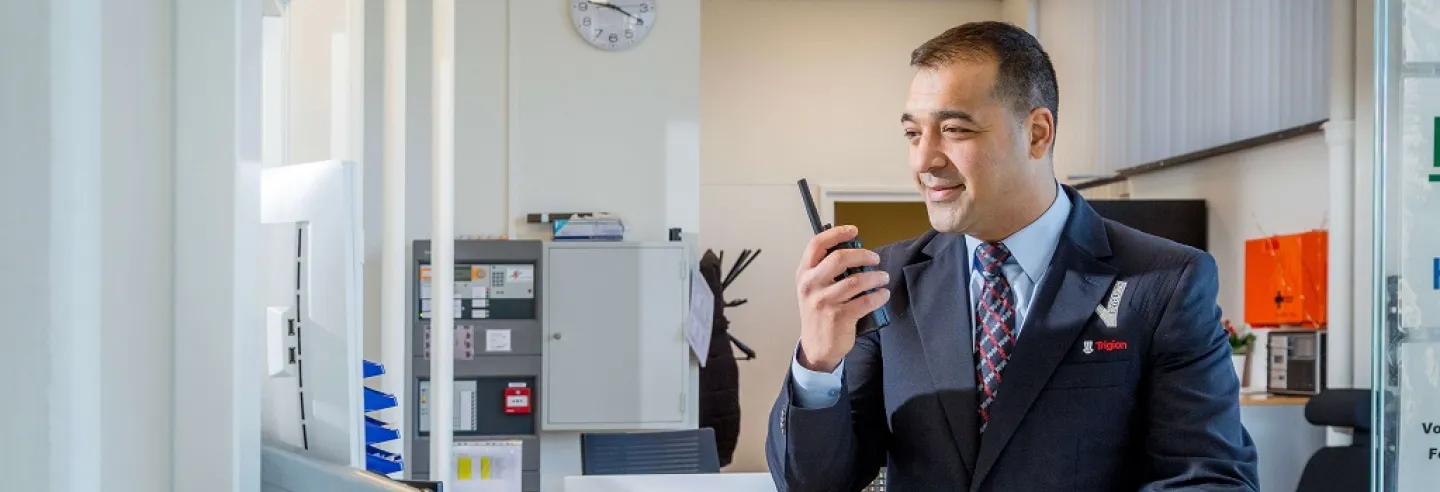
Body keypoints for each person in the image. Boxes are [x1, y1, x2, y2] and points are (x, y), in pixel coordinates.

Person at [765, 21, 1259, 492]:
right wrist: (818, 362)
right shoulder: (887, 283)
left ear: (1038, 134)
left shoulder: (1164, 283)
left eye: (955, 130)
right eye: (913, 134)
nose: (923, 161)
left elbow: (1207, 478)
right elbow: (814, 484)